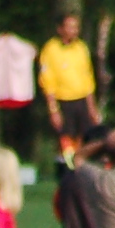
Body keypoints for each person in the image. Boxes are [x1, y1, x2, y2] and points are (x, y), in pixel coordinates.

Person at [39, 14, 99, 163]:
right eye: (70, 27)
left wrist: (92, 108)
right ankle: (64, 168)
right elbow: (47, 82)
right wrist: (53, 110)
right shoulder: (50, 49)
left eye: (76, 27)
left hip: (81, 100)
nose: (74, 30)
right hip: (63, 101)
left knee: (83, 138)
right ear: (60, 29)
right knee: (65, 140)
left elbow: (88, 79)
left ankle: (79, 167)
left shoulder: (81, 48)